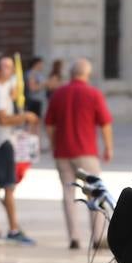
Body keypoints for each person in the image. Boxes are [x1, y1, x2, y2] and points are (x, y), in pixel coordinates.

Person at [45, 59, 114, 249]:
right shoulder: (93, 94)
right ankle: (98, 237)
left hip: (63, 152)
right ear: (87, 74)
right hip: (86, 152)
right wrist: (108, 147)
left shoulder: (58, 93)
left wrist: (53, 145)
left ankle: (74, 237)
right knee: (95, 193)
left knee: (68, 194)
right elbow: (105, 123)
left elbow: (49, 124)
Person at [0, 55, 40, 244]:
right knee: (6, 188)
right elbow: (2, 119)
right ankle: (12, 229)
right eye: (6, 67)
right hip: (0, 143)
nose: (10, 71)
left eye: (11, 67)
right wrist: (25, 117)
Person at [24, 56, 47, 122]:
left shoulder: (39, 73)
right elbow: (32, 88)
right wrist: (44, 84)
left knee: (37, 121)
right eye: (41, 64)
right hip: (33, 100)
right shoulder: (31, 73)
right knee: (32, 121)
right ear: (37, 64)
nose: (42, 66)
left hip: (38, 100)